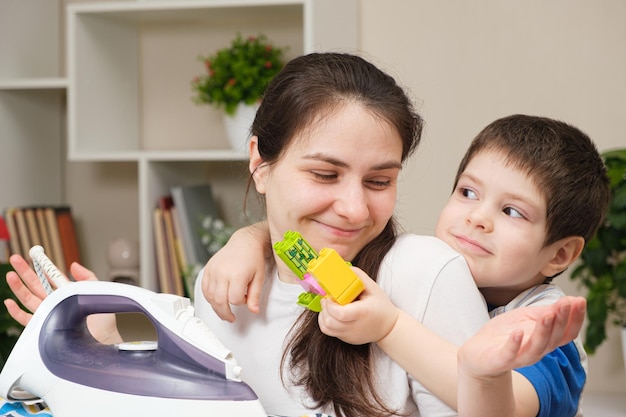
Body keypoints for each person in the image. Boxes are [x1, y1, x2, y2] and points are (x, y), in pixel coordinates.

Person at [3, 56, 583, 417]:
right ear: (260, 159)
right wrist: (108, 351)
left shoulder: (423, 270)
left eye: (380, 180)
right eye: (325, 174)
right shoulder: (222, 281)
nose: (355, 207)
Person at [200, 114, 609, 417]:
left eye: (512, 212)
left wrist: (390, 327)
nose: (477, 217)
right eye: (467, 191)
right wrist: (251, 238)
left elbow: (503, 410)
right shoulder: (426, 271)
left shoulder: (549, 331)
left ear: (559, 255)